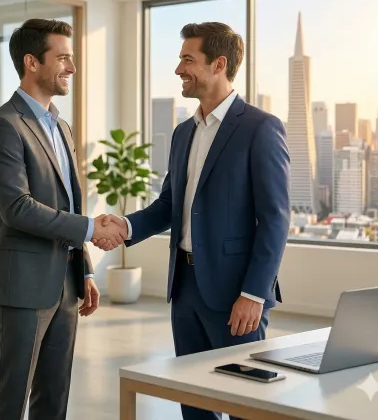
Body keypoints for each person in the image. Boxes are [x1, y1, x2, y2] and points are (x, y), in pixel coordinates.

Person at [93, 22, 290, 420]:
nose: (179, 69)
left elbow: (275, 218)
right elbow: (169, 204)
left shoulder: (260, 128)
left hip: (235, 294)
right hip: (184, 289)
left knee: (244, 405)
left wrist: (254, 294)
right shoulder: (183, 133)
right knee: (195, 405)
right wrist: (125, 227)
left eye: (188, 59)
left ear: (219, 64)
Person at [0, 18, 127, 420]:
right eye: (62, 58)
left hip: (66, 284)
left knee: (54, 397)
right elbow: (17, 208)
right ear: (31, 62)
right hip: (22, 286)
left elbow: (68, 203)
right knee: (10, 400)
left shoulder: (61, 127)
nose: (71, 68)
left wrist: (85, 269)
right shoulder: (2, 126)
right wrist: (91, 229)